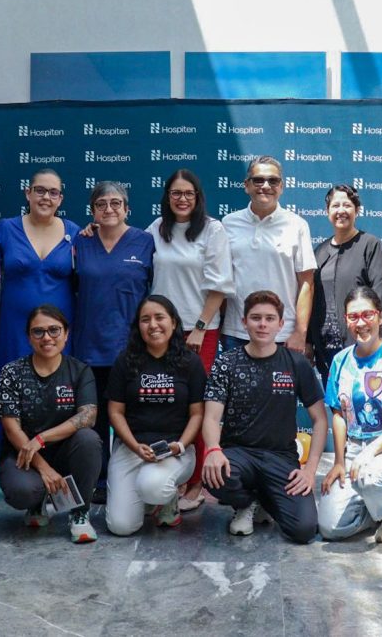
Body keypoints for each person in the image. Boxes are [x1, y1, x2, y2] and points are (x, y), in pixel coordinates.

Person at [203, 290, 328, 544]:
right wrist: (213, 450)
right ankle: (246, 502)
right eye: (256, 318)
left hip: (281, 457)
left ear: (280, 324)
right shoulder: (226, 363)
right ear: (244, 322)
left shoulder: (296, 363)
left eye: (270, 319)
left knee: (303, 530)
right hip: (238, 454)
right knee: (215, 476)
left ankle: (265, 497)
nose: (262, 324)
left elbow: (320, 419)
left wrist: (310, 470)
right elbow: (211, 417)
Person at [145, 169, 232, 511]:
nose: (182, 199)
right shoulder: (156, 229)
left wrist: (199, 327)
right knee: (167, 403)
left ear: (198, 197)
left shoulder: (213, 230)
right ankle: (169, 475)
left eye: (188, 194)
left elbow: (220, 287)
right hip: (160, 330)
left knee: (197, 403)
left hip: (199, 331)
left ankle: (196, 482)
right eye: (176, 193)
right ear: (167, 197)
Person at [317, 286, 382, 543]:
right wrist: (339, 462)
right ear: (346, 320)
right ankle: (379, 508)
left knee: (370, 476)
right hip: (354, 449)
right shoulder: (340, 360)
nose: (361, 323)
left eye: (367, 315)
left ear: (380, 317)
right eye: (353, 317)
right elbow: (338, 415)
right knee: (331, 529)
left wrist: (370, 452)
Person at [72, 182, 155, 503]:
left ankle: (129, 481)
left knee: (129, 418)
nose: (109, 209)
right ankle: (99, 480)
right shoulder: (81, 241)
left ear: (127, 208)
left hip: (130, 348)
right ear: (92, 210)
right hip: (88, 346)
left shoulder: (145, 242)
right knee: (95, 420)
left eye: (116, 203)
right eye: (101, 204)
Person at [0, 305, 102, 543]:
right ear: (28, 337)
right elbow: (11, 428)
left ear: (66, 334)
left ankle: (80, 512)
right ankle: (36, 502)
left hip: (65, 452)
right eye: (38, 331)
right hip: (24, 455)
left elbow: (88, 416)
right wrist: (44, 468)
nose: (47, 337)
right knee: (22, 492)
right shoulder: (11, 372)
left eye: (54, 330)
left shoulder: (80, 370)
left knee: (88, 439)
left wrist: (41, 438)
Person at [105, 296, 206, 535]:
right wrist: (134, 446)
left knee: (153, 486)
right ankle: (145, 496)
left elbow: (197, 413)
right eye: (145, 319)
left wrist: (180, 446)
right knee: (121, 527)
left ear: (173, 322)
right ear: (138, 326)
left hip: (174, 451)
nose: (153, 325)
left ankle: (166, 498)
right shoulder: (125, 361)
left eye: (159, 317)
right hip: (132, 448)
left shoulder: (190, 362)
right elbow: (115, 411)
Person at [221, 156, 316, 353]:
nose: (265, 186)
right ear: (246, 185)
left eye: (273, 181)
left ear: (281, 187)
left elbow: (306, 283)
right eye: (258, 180)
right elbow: (220, 279)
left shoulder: (297, 225)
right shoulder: (228, 223)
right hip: (236, 332)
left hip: (283, 335)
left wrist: (300, 332)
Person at [0, 168, 80, 371]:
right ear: (27, 193)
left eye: (53, 192)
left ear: (60, 199)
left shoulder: (75, 232)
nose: (46, 197)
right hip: (14, 327)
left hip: (58, 332)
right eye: (40, 190)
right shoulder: (6, 228)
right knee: (12, 382)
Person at [310, 185, 382, 382]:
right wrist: (308, 341)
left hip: (364, 343)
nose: (341, 210)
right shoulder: (319, 252)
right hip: (327, 348)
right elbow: (311, 300)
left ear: (357, 210)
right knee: (336, 399)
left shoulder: (370, 245)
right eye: (335, 205)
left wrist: (371, 333)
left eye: (347, 205)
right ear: (327, 211)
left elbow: (381, 295)